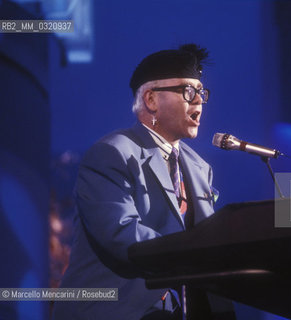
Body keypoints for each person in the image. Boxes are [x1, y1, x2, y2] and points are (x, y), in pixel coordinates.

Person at [52, 44, 227, 320]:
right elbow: (121, 234)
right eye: (188, 92)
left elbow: (208, 239)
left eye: (201, 93)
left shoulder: (199, 167)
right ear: (151, 99)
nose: (199, 102)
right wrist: (191, 255)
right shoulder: (112, 153)